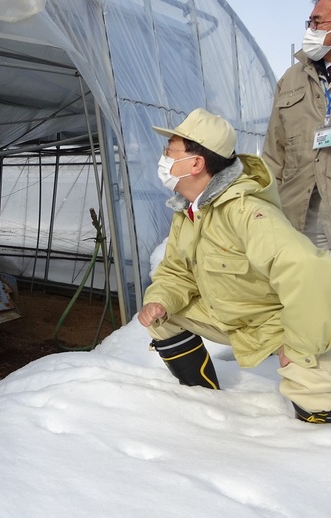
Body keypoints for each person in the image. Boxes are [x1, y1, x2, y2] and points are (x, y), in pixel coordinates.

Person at [140, 107, 331, 423]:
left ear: (196, 163)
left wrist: (298, 346)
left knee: (316, 408)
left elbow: (310, 271)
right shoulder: (188, 213)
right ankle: (201, 395)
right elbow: (176, 270)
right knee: (159, 315)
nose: (163, 159)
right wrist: (160, 300)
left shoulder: (247, 212)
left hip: (276, 325)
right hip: (231, 315)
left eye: (169, 152)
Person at [263, 0, 331, 249]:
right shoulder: (290, 80)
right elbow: (274, 153)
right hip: (297, 223)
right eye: (309, 22)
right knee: (308, 286)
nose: (310, 30)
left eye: (318, 22)